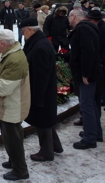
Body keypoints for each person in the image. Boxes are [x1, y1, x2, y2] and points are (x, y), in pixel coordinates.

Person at [0, 29, 30, 181]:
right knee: (10, 135)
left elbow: (5, 87)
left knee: (13, 138)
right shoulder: (11, 52)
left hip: (12, 105)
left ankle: (20, 170)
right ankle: (13, 161)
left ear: (2, 43)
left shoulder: (15, 59)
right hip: (9, 105)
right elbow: (4, 73)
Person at [19, 18, 63, 162]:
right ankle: (55, 146)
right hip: (42, 91)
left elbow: (40, 76)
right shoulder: (38, 43)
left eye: (23, 32)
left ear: (30, 30)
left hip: (41, 92)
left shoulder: (40, 47)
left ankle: (46, 152)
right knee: (46, 120)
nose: (23, 35)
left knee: (42, 121)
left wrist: (38, 97)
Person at [68, 10, 103, 149]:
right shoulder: (89, 27)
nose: (68, 19)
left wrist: (85, 74)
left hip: (88, 74)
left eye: (69, 16)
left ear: (74, 16)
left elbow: (88, 51)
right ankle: (95, 132)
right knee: (91, 104)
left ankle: (90, 138)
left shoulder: (82, 29)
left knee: (86, 104)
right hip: (91, 71)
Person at [86, 10, 105, 112]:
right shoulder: (102, 27)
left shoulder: (103, 28)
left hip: (104, 58)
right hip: (103, 57)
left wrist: (102, 59)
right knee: (103, 81)